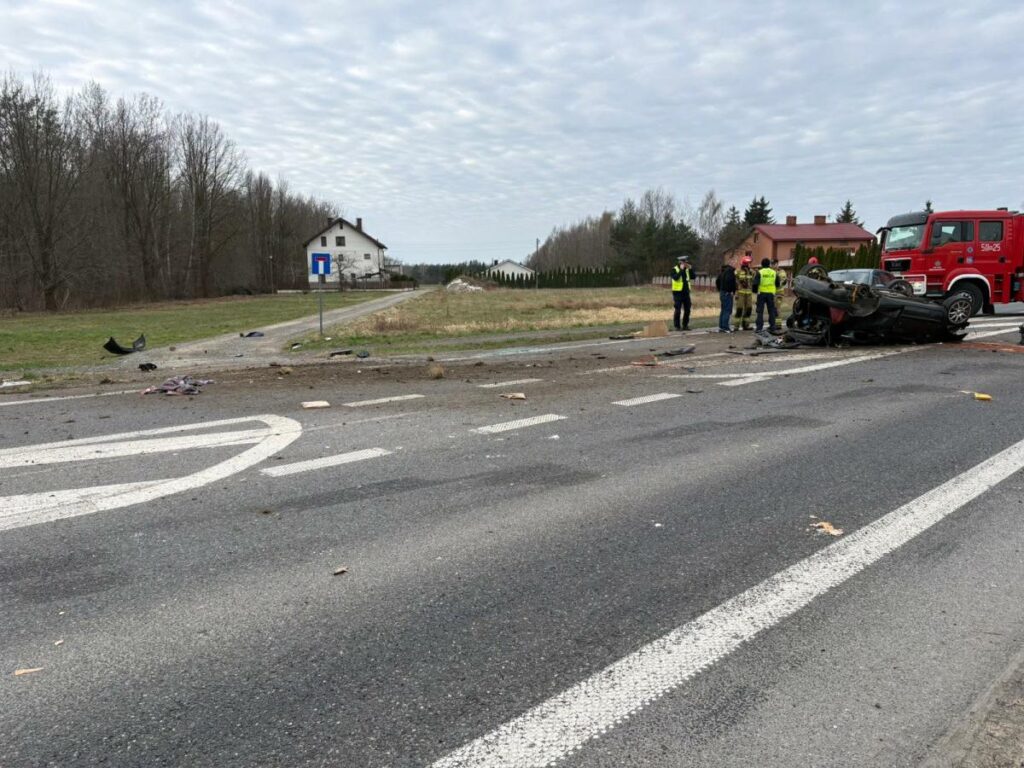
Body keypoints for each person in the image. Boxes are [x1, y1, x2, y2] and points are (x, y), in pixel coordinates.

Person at [753, 257, 780, 333]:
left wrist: (755, 291)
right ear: (769, 264)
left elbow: (755, 284)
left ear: (762, 264)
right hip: (771, 294)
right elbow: (777, 284)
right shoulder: (774, 272)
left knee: (760, 311)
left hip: (761, 293)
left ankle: (759, 328)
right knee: (771, 311)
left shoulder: (760, 272)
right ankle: (772, 327)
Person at [670, 255, 694, 330]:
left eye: (686, 262)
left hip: (686, 292)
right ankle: (677, 326)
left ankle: (685, 325)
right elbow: (675, 278)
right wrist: (681, 270)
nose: (685, 264)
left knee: (687, 309)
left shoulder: (687, 269)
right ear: (680, 262)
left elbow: (693, 277)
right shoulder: (674, 269)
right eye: (683, 262)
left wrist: (690, 269)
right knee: (678, 309)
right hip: (677, 292)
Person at [734, 255, 755, 330]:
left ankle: (746, 325)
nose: (749, 264)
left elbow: (754, 280)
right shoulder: (738, 271)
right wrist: (736, 292)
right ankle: (736, 326)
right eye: (748, 263)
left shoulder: (752, 272)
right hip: (740, 293)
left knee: (748, 309)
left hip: (749, 294)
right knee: (739, 309)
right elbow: (735, 282)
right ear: (744, 263)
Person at [714, 260, 736, 332]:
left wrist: (720, 289)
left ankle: (721, 326)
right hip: (727, 293)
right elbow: (729, 282)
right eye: (734, 262)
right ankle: (725, 327)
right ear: (730, 264)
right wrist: (731, 291)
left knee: (723, 310)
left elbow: (717, 281)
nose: (735, 264)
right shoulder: (730, 272)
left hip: (722, 292)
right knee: (727, 310)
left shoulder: (723, 272)